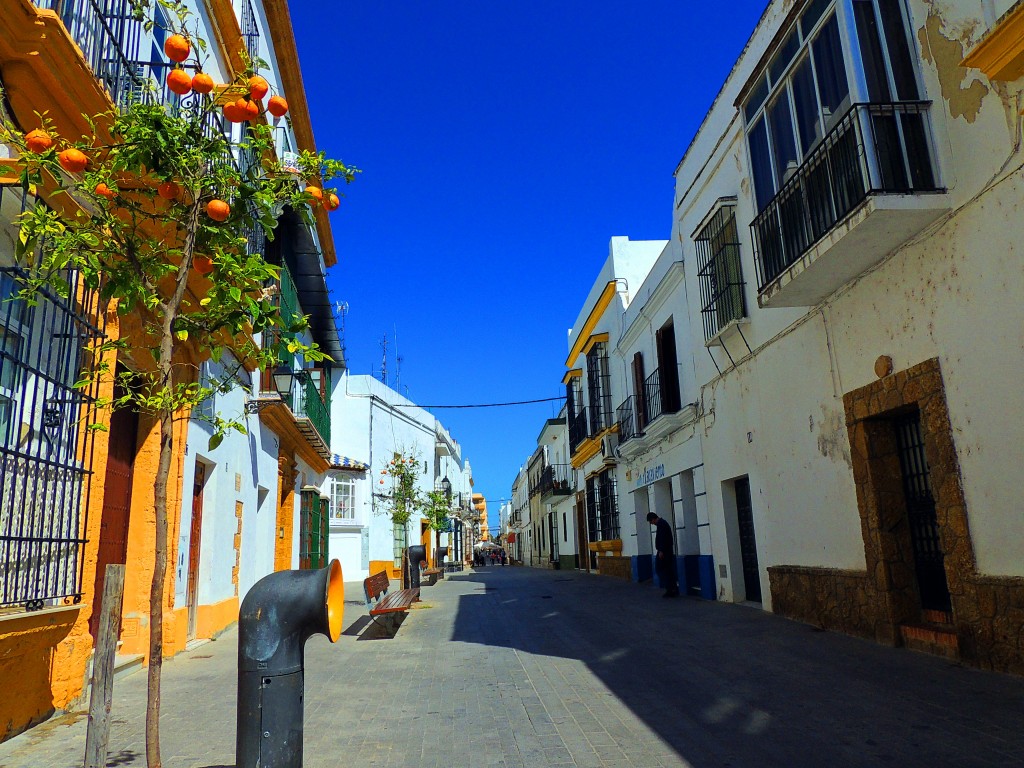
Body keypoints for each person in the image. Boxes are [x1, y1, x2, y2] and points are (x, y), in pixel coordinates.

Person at [647, 512, 679, 597]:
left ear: (653, 519)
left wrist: (661, 550)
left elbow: (663, 538)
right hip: (666, 551)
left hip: (664, 552)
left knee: (662, 570)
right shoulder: (662, 524)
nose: (651, 523)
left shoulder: (661, 525)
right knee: (668, 570)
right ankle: (673, 588)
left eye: (651, 521)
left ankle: (670, 589)